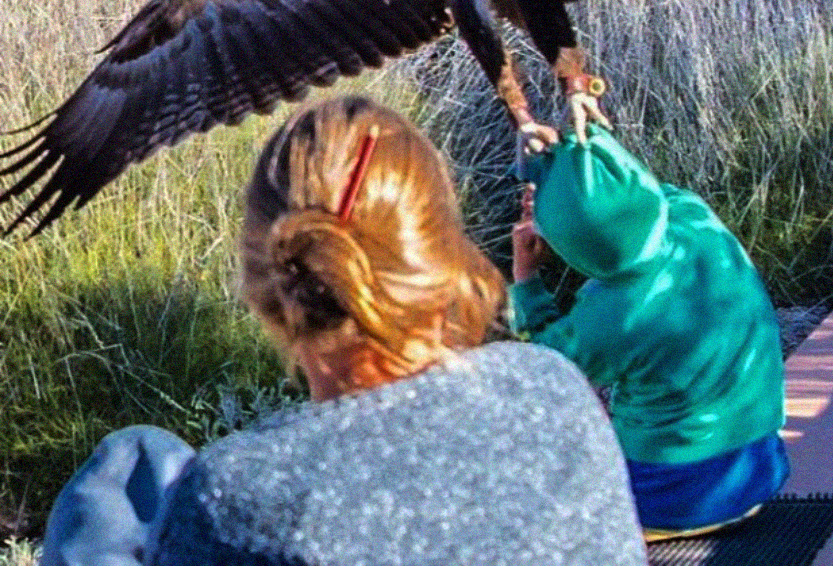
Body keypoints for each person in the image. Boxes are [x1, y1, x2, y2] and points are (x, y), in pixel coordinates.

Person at [41, 96, 648, 566]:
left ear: (263, 286)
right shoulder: (553, 391)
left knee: (125, 475)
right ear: (442, 255)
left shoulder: (239, 499)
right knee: (144, 460)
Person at [509, 124, 790, 542]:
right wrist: (572, 158)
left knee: (525, 498)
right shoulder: (692, 214)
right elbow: (629, 191)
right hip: (761, 470)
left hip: (673, 497)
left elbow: (542, 367)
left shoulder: (612, 316)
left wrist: (525, 276)